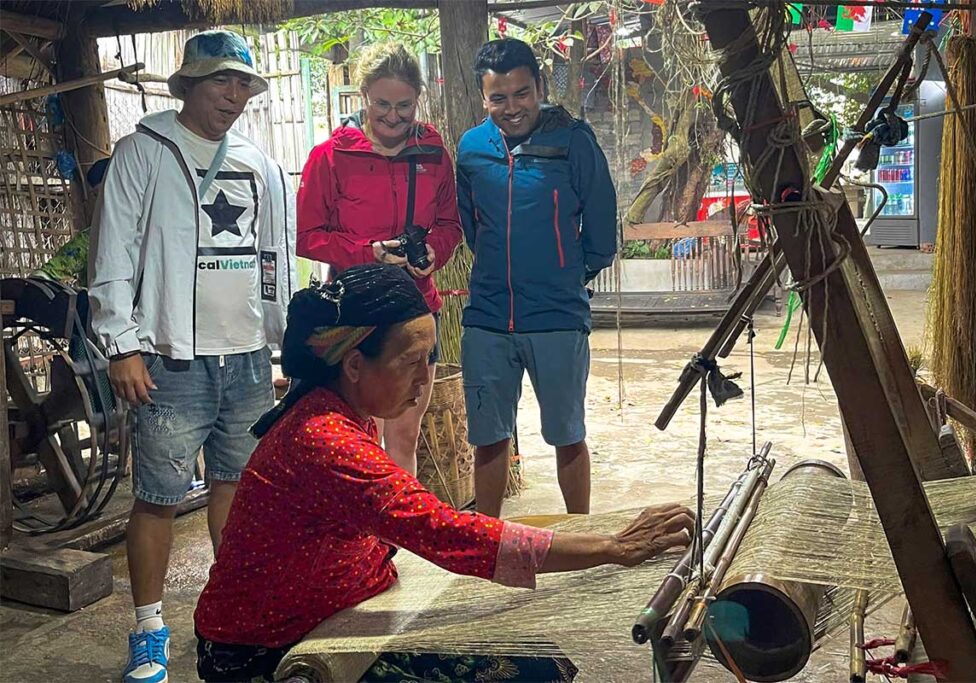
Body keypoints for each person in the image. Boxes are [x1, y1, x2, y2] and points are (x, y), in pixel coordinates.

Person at [192, 264, 694, 682]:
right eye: (410, 361)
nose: (425, 377)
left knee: (538, 661)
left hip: (336, 608)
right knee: (530, 674)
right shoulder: (324, 441)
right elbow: (447, 532)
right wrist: (613, 548)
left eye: (428, 358)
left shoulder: (339, 408)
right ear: (353, 365)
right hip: (262, 653)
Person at [88, 29, 296, 683]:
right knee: (155, 495)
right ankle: (149, 626)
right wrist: (121, 344)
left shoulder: (259, 165)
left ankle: (230, 614)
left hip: (245, 358)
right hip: (170, 358)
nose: (232, 96)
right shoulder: (144, 151)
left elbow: (274, 261)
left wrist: (285, 343)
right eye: (219, 82)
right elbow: (113, 251)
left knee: (237, 488)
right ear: (188, 85)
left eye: (242, 83)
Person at [456, 38, 617, 518]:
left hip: (557, 318)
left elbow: (603, 230)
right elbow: (472, 228)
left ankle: (579, 535)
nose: (512, 108)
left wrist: (566, 275)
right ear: (483, 98)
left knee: (567, 435)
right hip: (486, 317)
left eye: (522, 94)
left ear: (540, 88)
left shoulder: (573, 141)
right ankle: (485, 541)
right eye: (498, 98)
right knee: (488, 437)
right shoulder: (470, 149)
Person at [297, 42, 462, 475]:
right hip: (355, 315)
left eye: (404, 105)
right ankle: (357, 541)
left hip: (416, 310)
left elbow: (450, 225)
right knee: (353, 437)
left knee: (404, 436)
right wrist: (365, 253)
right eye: (382, 104)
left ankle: (393, 539)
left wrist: (433, 251)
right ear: (364, 95)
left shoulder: (434, 156)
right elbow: (308, 237)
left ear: (418, 99)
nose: (393, 116)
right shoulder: (330, 157)